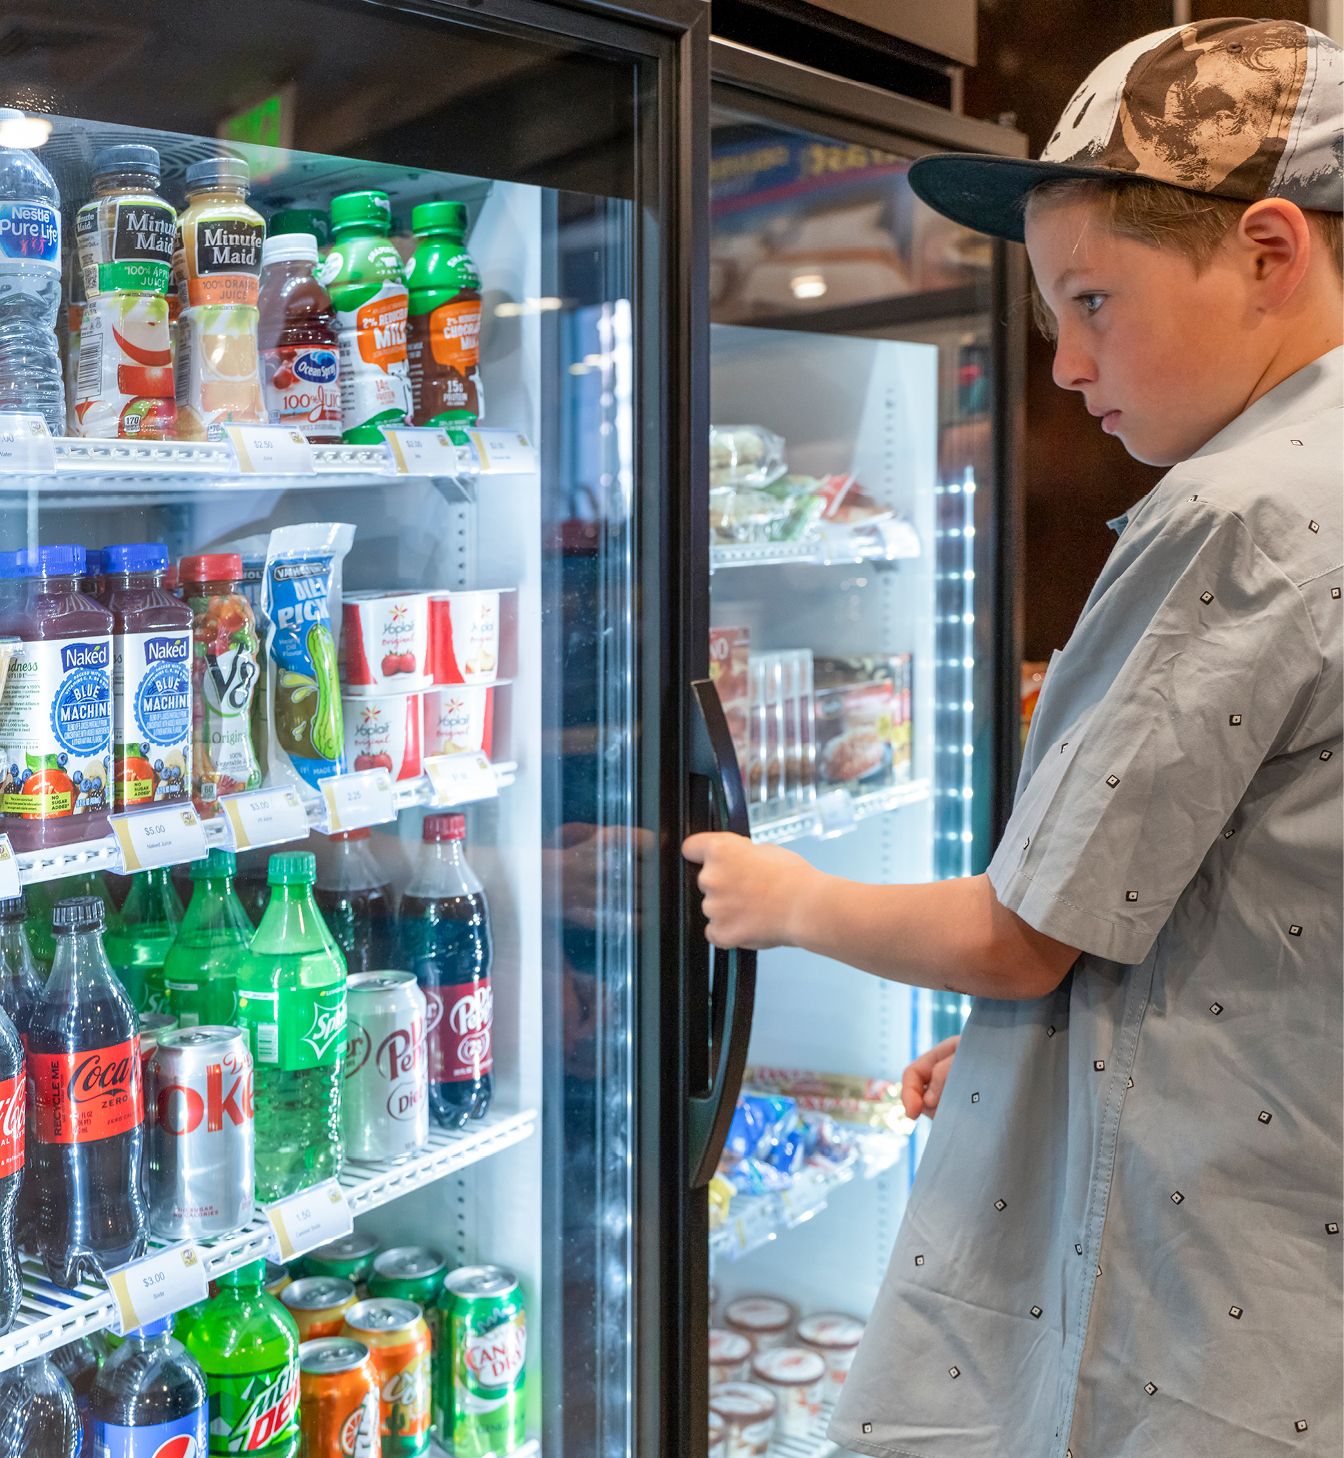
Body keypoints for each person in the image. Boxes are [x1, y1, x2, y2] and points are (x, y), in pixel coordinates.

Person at [683, 18, 1342, 1458]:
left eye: (1095, 300)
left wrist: (780, 896)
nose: (1061, 366)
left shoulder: (1237, 510)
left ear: (1269, 252)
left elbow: (1025, 935)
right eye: (1051, 314)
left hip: (1205, 1313)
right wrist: (1027, 1059)